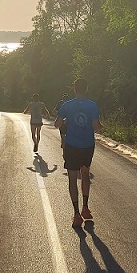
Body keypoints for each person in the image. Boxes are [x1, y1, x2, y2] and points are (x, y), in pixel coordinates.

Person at [55, 79, 102, 228]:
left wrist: (66, 122)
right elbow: (96, 126)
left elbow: (57, 124)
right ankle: (85, 207)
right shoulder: (92, 105)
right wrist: (101, 126)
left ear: (74, 89)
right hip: (88, 145)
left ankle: (76, 214)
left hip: (72, 145)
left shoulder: (66, 105)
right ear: (86, 88)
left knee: (72, 179)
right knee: (86, 174)